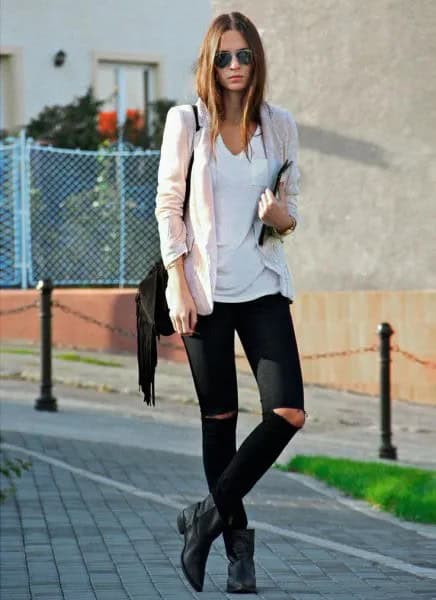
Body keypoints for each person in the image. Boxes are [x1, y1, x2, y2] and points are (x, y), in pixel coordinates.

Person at [155, 11, 305, 594]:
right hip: (206, 293)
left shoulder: (280, 125)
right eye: (225, 57)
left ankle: (203, 519)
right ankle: (238, 554)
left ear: (257, 59)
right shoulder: (186, 122)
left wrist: (278, 217)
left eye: (244, 55)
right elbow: (169, 205)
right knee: (219, 424)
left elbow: (291, 213)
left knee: (287, 411)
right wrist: (177, 281)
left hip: (264, 288)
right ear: (209, 63)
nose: (236, 66)